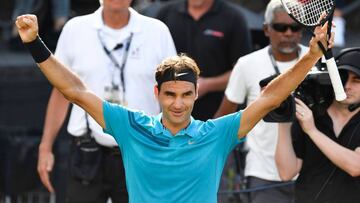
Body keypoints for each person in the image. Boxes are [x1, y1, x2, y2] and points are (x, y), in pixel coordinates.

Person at [16, 12, 331, 203]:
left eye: (185, 94)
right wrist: (34, 43)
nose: (178, 104)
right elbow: (74, 89)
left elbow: (270, 97)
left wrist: (312, 54)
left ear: (196, 94)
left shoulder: (216, 133)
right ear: (156, 93)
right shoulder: (131, 126)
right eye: (170, 94)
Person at [36, 0, 176, 202]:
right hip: (87, 150)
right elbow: (60, 91)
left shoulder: (157, 31)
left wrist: (173, 147)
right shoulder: (75, 29)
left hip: (142, 150)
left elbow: (172, 92)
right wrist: (46, 146)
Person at [214, 0, 304, 202]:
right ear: (266, 29)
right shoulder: (247, 64)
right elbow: (224, 116)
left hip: (310, 169)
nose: (288, 33)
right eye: (280, 27)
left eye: (295, 26)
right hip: (263, 173)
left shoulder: (316, 60)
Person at [275, 48, 360, 203]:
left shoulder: (309, 123)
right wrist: (283, 118)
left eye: (357, 80)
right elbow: (286, 172)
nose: (347, 86)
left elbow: (356, 167)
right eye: (342, 78)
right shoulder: (311, 113)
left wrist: (312, 131)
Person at [156, 0, 252, 120]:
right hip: (171, 116)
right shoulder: (166, 14)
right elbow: (153, 64)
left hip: (217, 116)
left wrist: (208, 85)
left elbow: (245, 71)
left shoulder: (233, 17)